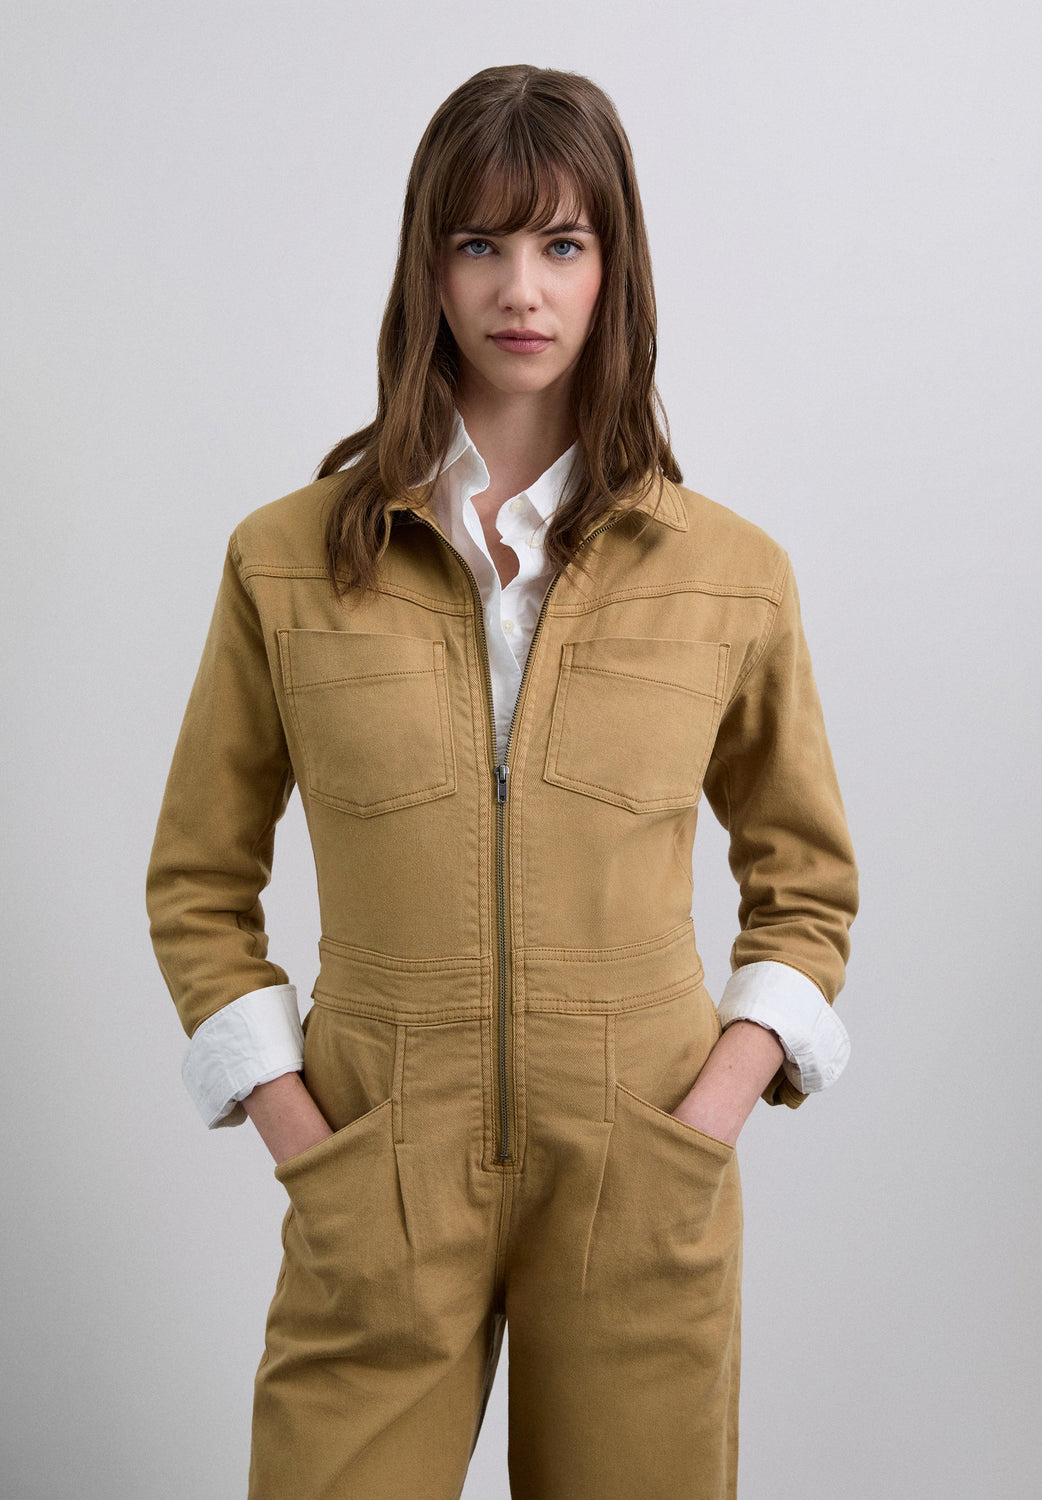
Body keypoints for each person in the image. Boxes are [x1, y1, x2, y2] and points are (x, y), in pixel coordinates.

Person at [145, 62, 859, 1500]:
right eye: (478, 242)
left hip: (638, 1164)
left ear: (613, 271)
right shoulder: (286, 561)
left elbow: (805, 886)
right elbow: (198, 882)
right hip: (377, 1163)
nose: (518, 290)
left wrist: (707, 1115)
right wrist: (299, 1127)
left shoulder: (731, 574)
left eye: (561, 243)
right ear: (428, 268)